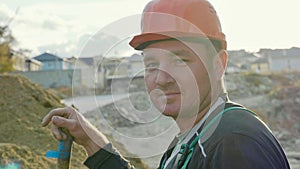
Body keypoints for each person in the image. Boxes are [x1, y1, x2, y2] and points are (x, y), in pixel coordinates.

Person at [41, 0, 291, 168]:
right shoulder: (189, 142)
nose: (161, 78)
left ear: (219, 64)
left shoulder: (235, 141)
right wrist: (91, 140)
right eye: (151, 65)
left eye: (180, 60)